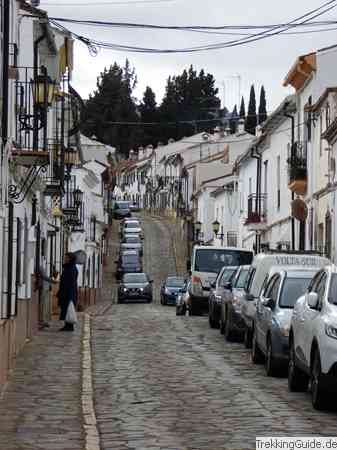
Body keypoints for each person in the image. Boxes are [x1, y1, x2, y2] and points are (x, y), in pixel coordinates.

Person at [57, 252, 78, 332]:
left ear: (70, 259)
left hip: (69, 292)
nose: (65, 259)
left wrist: (69, 294)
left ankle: (69, 326)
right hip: (65, 291)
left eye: (66, 258)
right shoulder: (68, 268)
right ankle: (67, 325)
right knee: (65, 308)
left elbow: (71, 282)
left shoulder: (72, 269)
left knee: (68, 309)